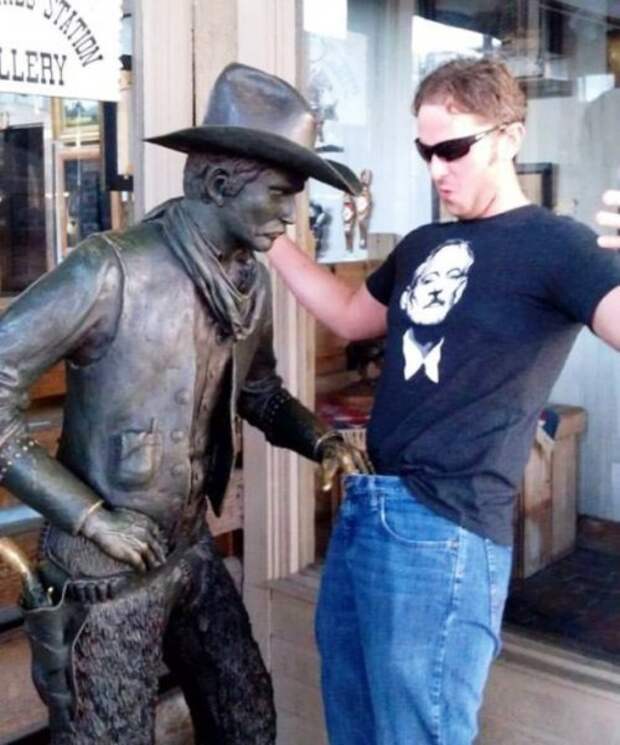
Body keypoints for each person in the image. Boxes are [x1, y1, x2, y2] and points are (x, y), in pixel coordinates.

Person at [0, 63, 367, 745]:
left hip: (187, 545)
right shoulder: (110, 269)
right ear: (222, 184)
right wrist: (92, 519)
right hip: (103, 569)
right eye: (280, 194)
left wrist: (318, 438)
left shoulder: (247, 283)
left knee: (246, 717)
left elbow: (257, 391)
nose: (291, 215)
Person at [268, 57, 620, 745]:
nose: (436, 169)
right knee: (354, 724)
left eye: (453, 148)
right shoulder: (423, 244)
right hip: (367, 506)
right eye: (424, 151)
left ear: (509, 136)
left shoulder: (560, 247)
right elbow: (348, 315)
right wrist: (268, 236)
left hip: (445, 527)